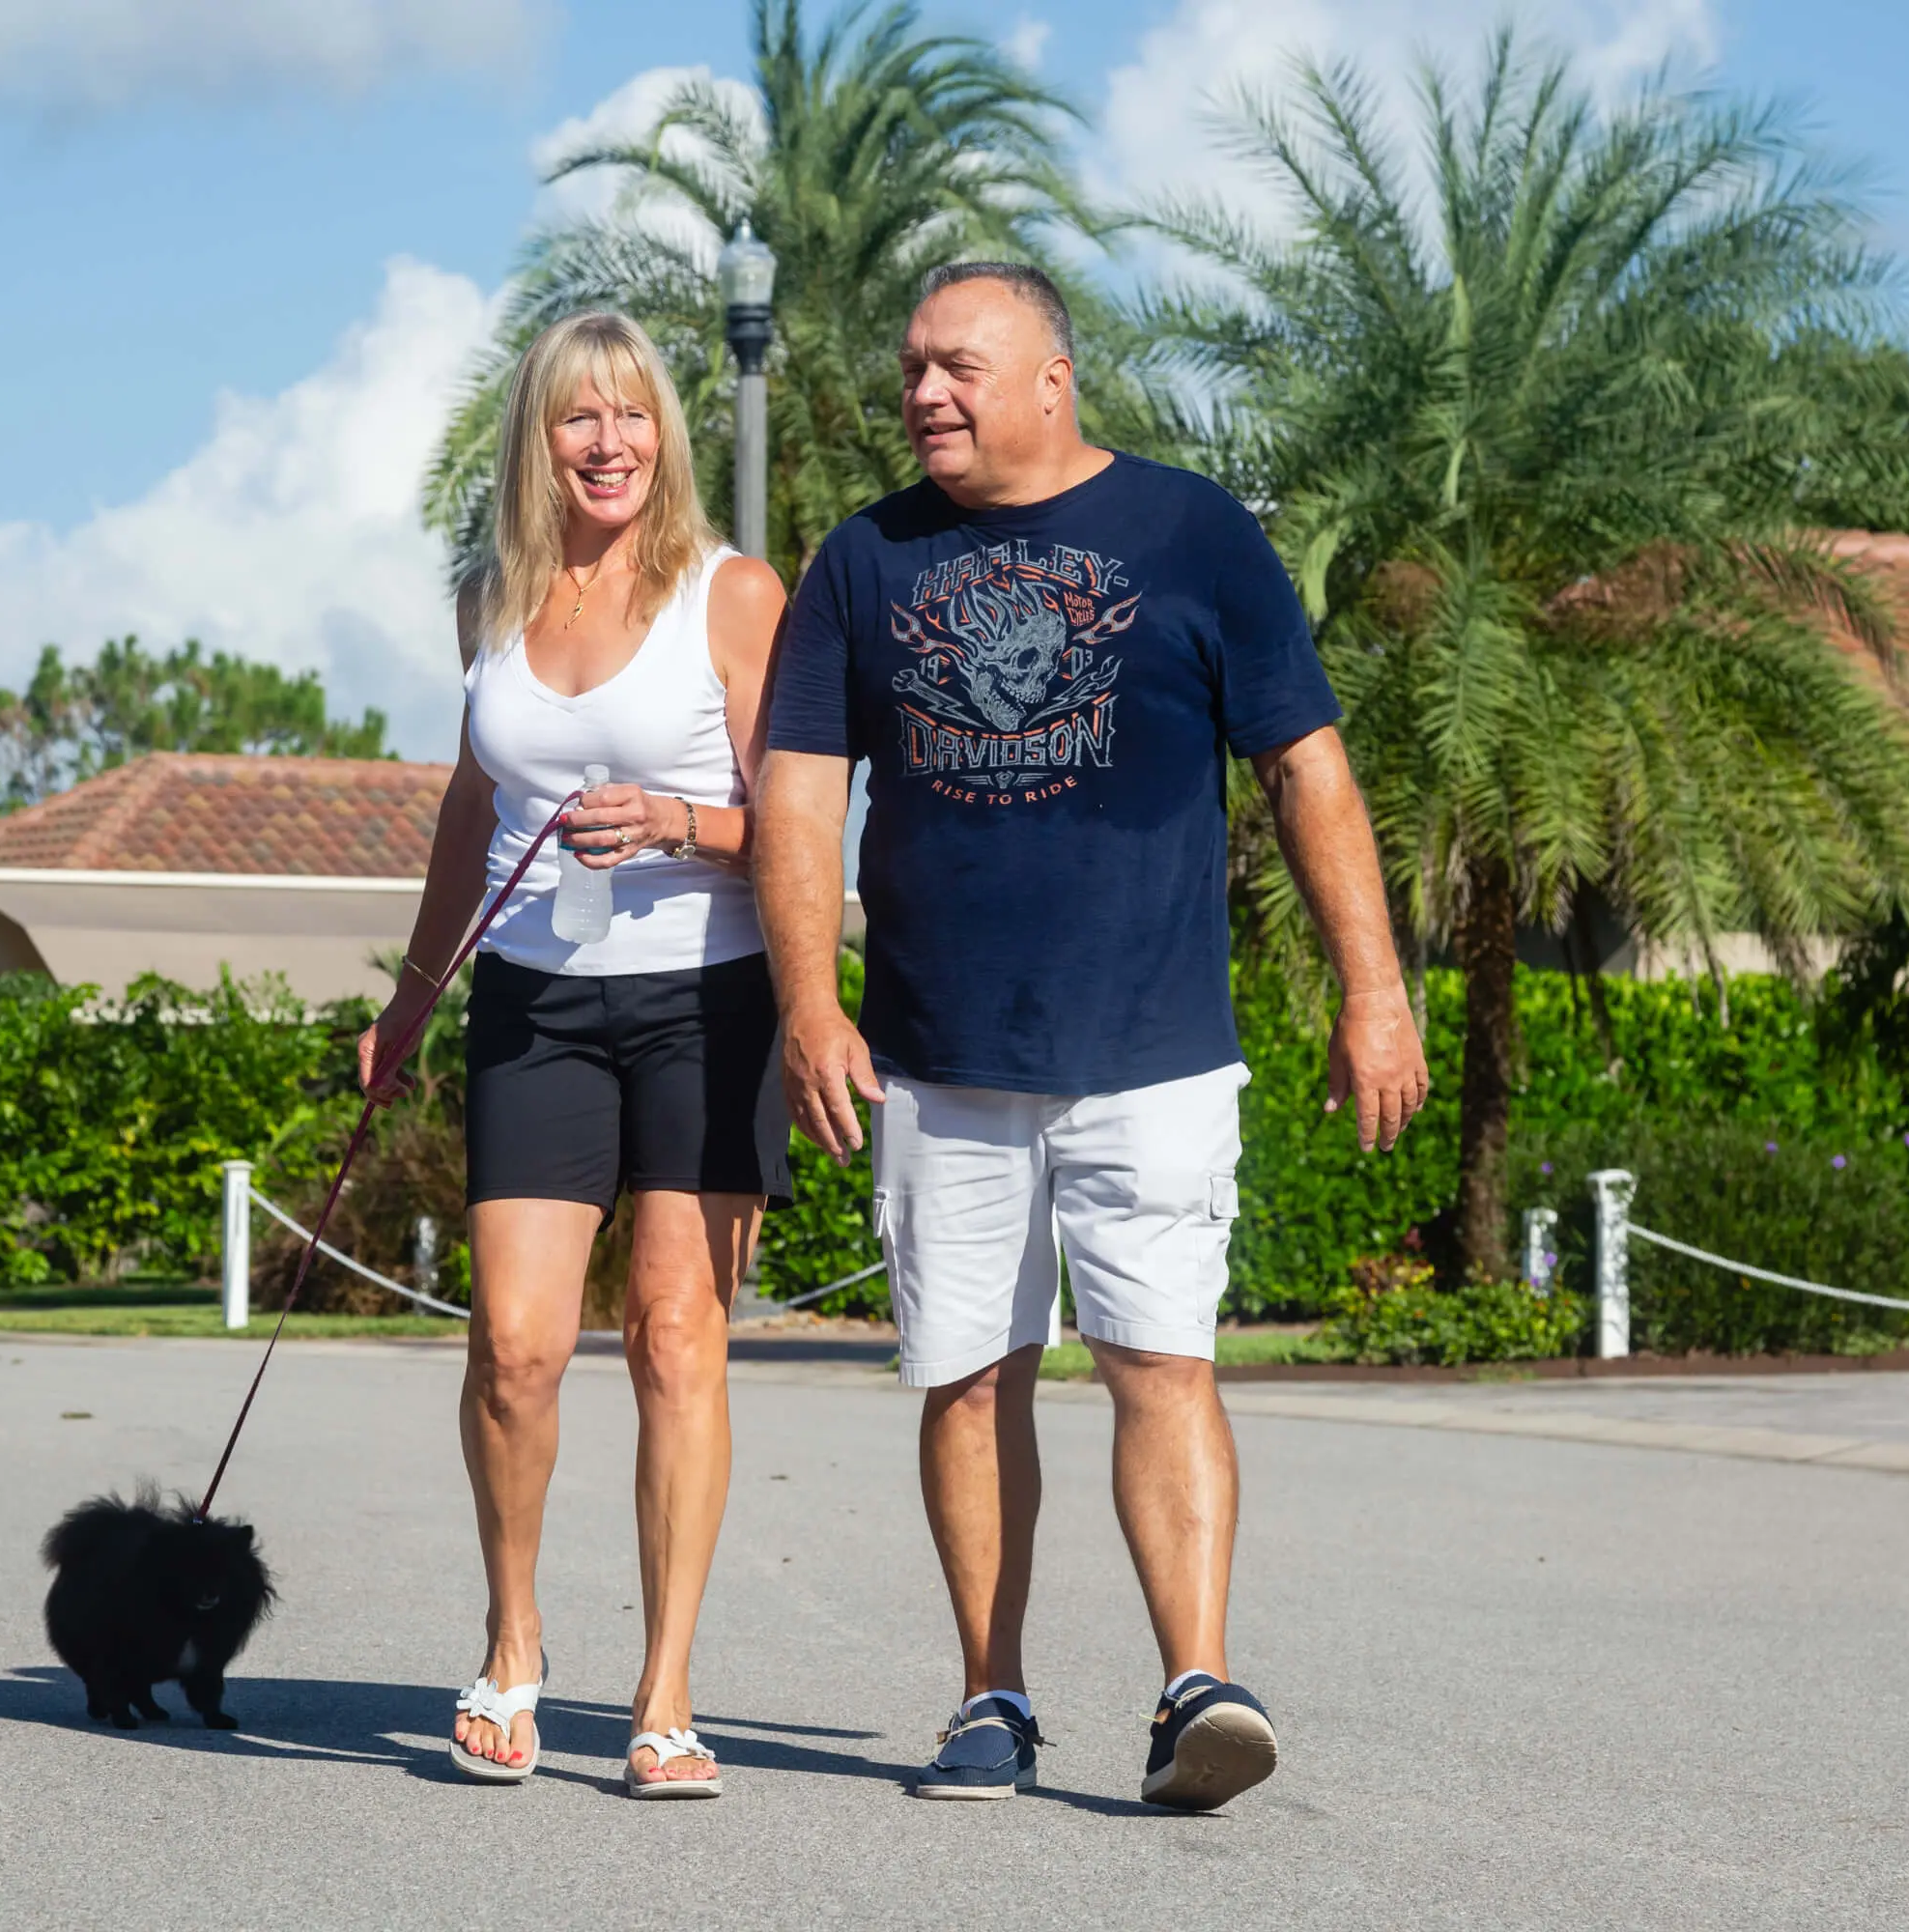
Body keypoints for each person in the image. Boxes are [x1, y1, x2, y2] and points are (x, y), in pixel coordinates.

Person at [753, 263, 1429, 1810]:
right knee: (968, 1377)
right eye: (914, 367)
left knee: (1161, 1363)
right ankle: (988, 1696)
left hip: (1157, 1047)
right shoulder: (864, 561)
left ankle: (1199, 1684)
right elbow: (800, 790)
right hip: (937, 1053)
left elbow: (1307, 771)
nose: (925, 392)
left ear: (1053, 377)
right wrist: (809, 1003)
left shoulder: (1195, 534)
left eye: (958, 366)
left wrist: (1372, 988)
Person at [360, 310, 788, 1799]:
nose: (609, 445)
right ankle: (515, 1636)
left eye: (633, 416)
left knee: (678, 1340)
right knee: (518, 1347)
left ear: (666, 431)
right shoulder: (490, 593)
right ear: (536, 442)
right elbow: (469, 811)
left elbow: (801, 827)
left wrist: (681, 822)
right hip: (533, 1003)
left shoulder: (732, 597)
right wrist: (415, 997)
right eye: (575, 420)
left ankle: (665, 1694)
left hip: (707, 999)